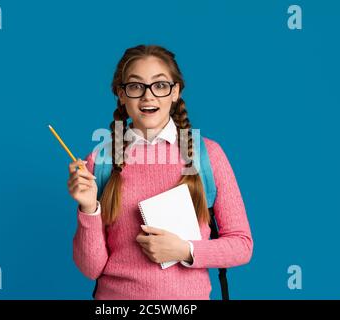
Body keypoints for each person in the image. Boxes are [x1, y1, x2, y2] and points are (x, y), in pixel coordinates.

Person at [68, 44, 253, 300]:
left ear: (175, 91)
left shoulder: (207, 154)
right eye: (135, 86)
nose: (148, 96)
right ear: (121, 95)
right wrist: (88, 209)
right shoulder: (100, 160)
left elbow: (242, 246)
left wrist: (184, 250)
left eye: (160, 85)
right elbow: (91, 269)